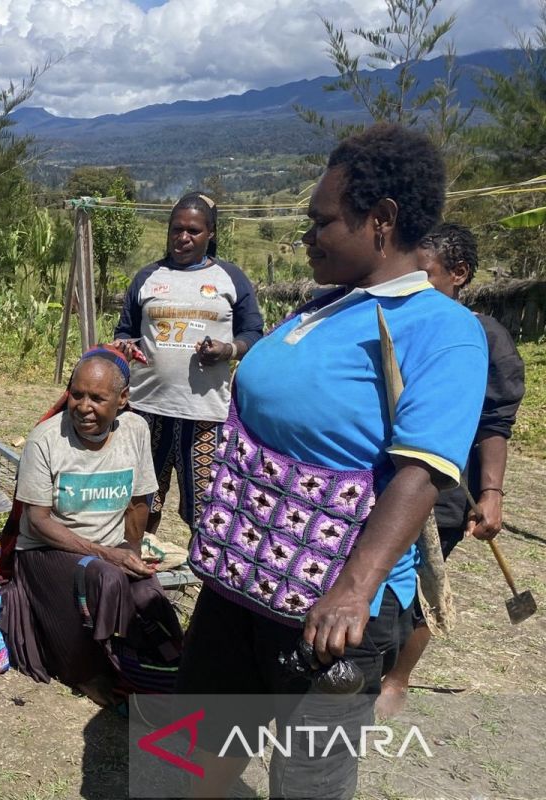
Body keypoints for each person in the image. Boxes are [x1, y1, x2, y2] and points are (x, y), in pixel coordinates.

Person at [177, 125, 488, 799]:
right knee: (206, 744)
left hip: (329, 605)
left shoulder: (441, 329)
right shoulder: (326, 305)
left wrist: (352, 589)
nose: (308, 236)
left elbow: (422, 471)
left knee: (307, 776)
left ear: (381, 222)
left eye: (322, 221)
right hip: (245, 575)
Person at [376, 223, 525, 717]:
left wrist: (491, 493)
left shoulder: (481, 337)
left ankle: (397, 678)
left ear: (458, 275)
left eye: (424, 274)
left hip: (440, 484)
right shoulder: (396, 321)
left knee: (422, 578)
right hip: (380, 473)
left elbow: (493, 424)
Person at [0, 348, 183, 707]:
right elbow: (36, 521)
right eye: (77, 394)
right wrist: (107, 555)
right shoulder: (46, 439)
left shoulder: (135, 430)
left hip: (109, 551)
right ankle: (82, 671)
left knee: (147, 594)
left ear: (123, 399)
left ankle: (148, 669)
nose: (84, 406)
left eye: (98, 398)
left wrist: (130, 552)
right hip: (46, 551)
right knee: (104, 578)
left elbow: (139, 501)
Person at [114, 193, 264, 535]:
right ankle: (137, 565)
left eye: (193, 231)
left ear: (210, 233)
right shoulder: (148, 277)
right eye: (176, 229)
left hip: (205, 415)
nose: (183, 237)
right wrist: (125, 347)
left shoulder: (230, 278)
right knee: (142, 498)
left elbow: (254, 333)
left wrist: (227, 349)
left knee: (205, 506)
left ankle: (202, 574)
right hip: (146, 409)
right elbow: (126, 330)